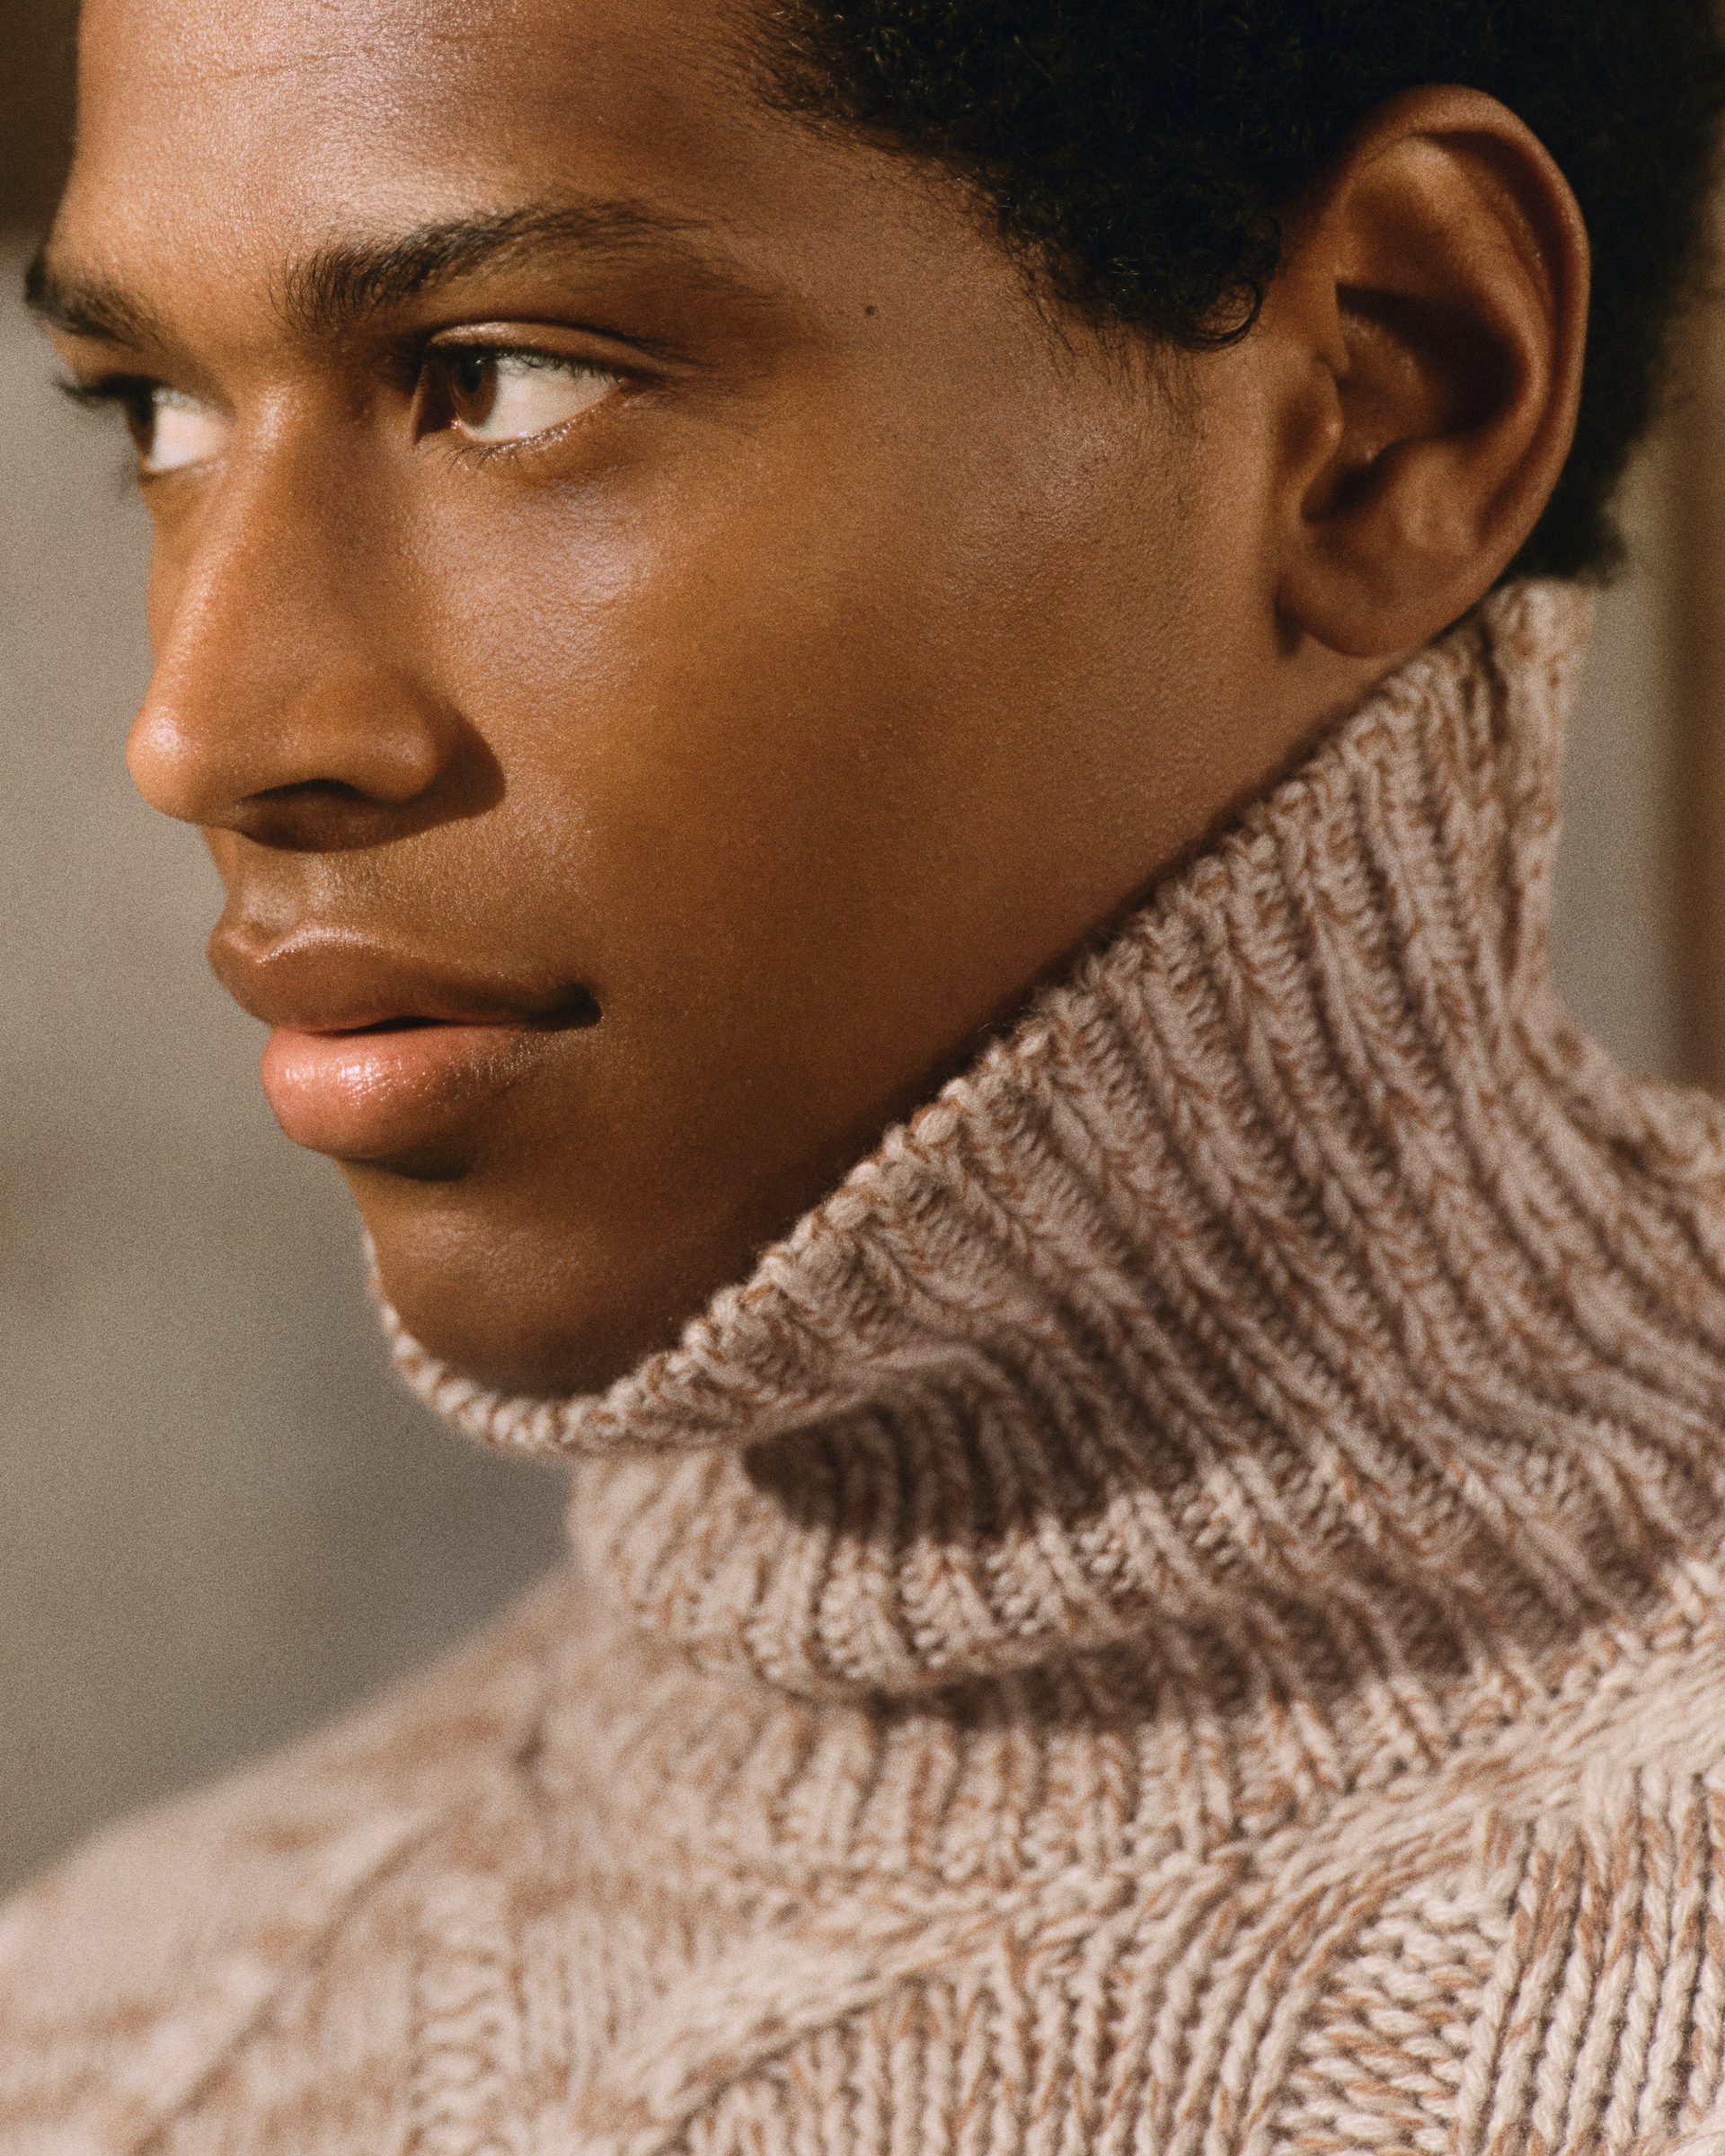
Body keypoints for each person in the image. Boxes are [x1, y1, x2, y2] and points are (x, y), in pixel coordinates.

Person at [5, 0, 1725, 2145]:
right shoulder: (103, 2050)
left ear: (1389, 399)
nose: (204, 728)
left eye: (505, 379)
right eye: (156, 412)